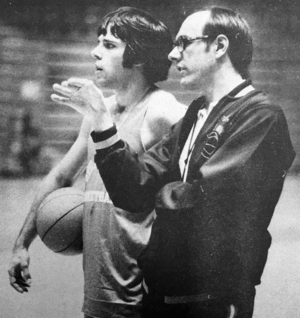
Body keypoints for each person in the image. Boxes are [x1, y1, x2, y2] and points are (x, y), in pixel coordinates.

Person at [52, 5, 296, 318]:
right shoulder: (196, 113)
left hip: (212, 299)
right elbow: (132, 191)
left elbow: (203, 201)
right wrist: (101, 119)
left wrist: (156, 200)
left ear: (219, 46)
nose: (172, 54)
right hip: (163, 296)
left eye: (183, 43)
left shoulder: (262, 117)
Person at [8, 7, 186, 318]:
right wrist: (22, 244)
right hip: (100, 294)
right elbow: (61, 177)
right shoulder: (98, 112)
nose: (94, 51)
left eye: (108, 45)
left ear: (139, 56)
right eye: (98, 42)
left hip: (143, 298)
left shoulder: (161, 111)